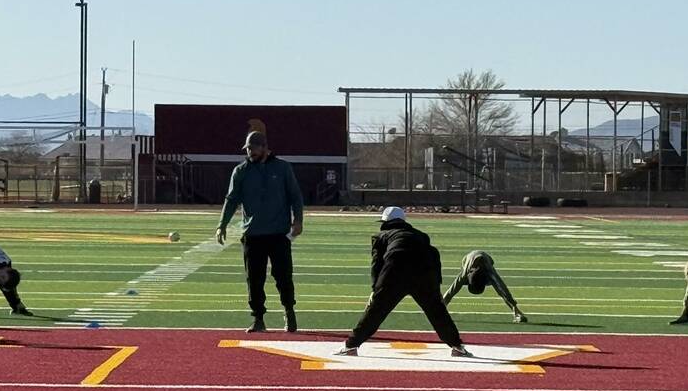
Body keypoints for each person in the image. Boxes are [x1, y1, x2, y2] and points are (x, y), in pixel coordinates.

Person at [337, 206, 470, 357]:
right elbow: (434, 256)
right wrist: (436, 286)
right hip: (423, 272)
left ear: (385, 221)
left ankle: (351, 346)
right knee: (437, 311)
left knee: (376, 311)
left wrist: (376, 289)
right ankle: (457, 346)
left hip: (395, 270)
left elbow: (377, 264)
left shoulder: (381, 236)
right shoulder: (421, 235)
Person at [215, 130, 304, 333]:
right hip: (253, 235)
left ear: (264, 147)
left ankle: (289, 311)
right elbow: (231, 200)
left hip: (278, 234)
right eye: (247, 149)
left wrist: (298, 220)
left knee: (283, 276)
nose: (249, 152)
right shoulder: (241, 171)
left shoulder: (282, 168)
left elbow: (295, 196)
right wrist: (222, 224)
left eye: (253, 148)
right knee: (254, 279)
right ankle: (258, 318)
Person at [443, 251, 527, 323]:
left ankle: (516, 312)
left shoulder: (489, 273)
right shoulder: (466, 273)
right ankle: (516, 312)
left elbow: (502, 289)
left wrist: (515, 308)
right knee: (498, 287)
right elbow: (452, 290)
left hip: (485, 259)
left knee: (498, 287)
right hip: (468, 260)